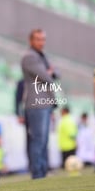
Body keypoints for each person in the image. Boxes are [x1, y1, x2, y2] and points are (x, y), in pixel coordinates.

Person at [21, 29, 58, 179]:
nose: (41, 42)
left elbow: (56, 73)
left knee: (44, 140)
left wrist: (49, 72)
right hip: (36, 103)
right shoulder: (29, 57)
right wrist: (49, 72)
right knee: (38, 139)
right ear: (31, 41)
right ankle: (37, 173)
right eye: (38, 39)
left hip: (45, 102)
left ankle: (43, 171)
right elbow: (47, 77)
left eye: (43, 39)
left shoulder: (42, 56)